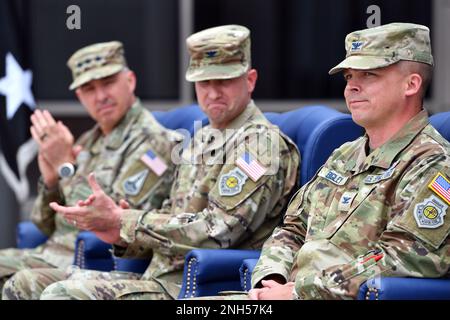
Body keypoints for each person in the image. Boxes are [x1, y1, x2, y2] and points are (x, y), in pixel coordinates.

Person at [20, 24, 301, 300]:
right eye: (204, 83)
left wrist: (126, 221)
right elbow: (172, 214)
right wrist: (118, 233)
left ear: (250, 80)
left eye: (224, 81)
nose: (213, 93)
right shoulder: (203, 137)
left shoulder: (262, 145)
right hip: (156, 278)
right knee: (30, 285)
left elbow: (217, 231)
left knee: (60, 294)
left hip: (201, 289)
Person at [247, 22, 450, 300]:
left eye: (368, 75)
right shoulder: (344, 155)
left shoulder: (434, 165)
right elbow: (293, 227)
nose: (352, 86)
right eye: (349, 77)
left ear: (411, 84)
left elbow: (402, 257)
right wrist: (272, 276)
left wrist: (298, 291)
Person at [0, 41, 183, 299]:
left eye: (108, 83)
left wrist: (66, 164)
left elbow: (108, 223)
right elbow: (42, 224)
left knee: (21, 282)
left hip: (91, 263)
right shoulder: (87, 141)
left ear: (129, 81)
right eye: (89, 89)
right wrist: (52, 180)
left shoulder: (158, 145)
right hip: (49, 254)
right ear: (79, 97)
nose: (101, 96)